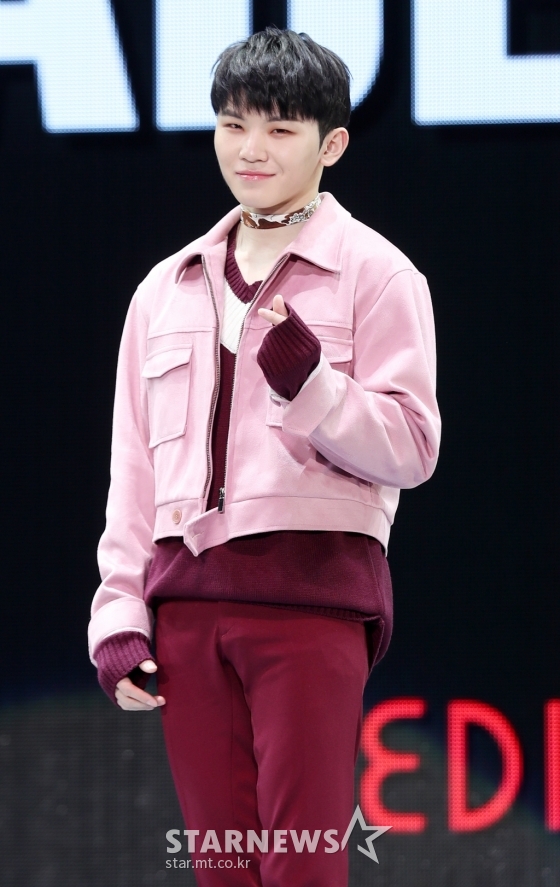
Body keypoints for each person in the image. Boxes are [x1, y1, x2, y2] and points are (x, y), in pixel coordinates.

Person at [87, 27, 440, 887]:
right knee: (222, 868)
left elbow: (413, 445)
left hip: (308, 600)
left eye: (280, 129)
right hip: (186, 610)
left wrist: (312, 385)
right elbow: (133, 472)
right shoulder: (166, 287)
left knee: (302, 866)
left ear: (332, 144)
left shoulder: (378, 275)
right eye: (233, 124)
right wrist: (119, 614)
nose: (251, 149)